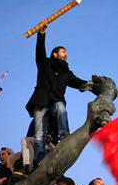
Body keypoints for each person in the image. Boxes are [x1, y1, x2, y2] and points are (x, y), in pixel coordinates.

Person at [25, 20, 89, 166]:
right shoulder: (44, 63)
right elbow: (40, 50)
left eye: (66, 52)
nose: (66, 53)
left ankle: (64, 134)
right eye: (63, 51)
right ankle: (39, 160)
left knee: (60, 107)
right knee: (39, 134)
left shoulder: (66, 72)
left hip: (56, 101)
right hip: (41, 102)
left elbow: (79, 83)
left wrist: (92, 85)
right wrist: (41, 33)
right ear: (55, 54)